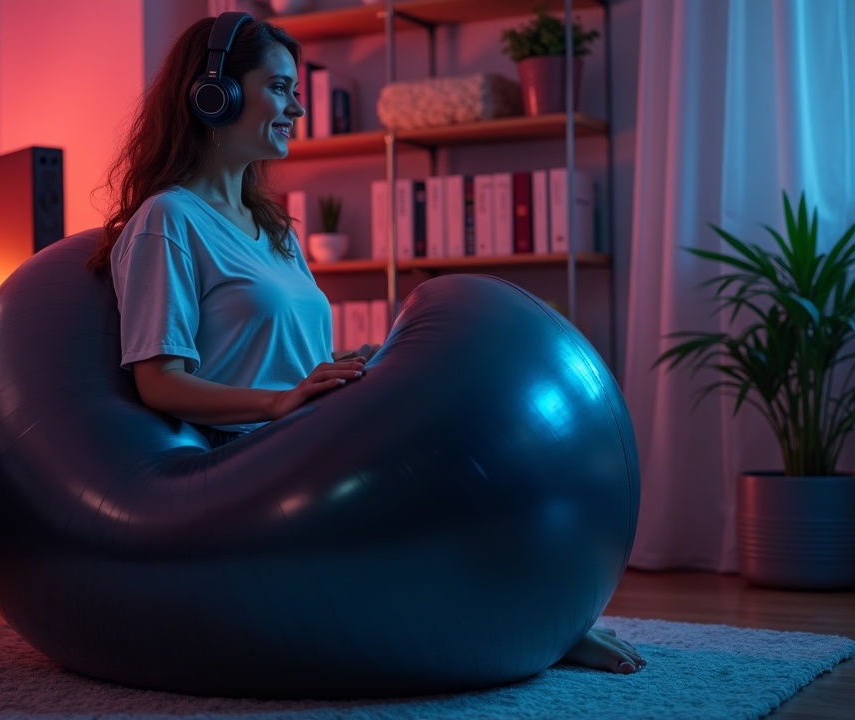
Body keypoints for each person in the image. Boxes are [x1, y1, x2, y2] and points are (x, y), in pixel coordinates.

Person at [88, 12, 645, 676]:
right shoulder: (168, 221)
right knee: (432, 482)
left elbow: (284, 355)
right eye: (279, 87)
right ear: (215, 95)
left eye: (297, 90)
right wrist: (278, 404)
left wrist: (337, 375)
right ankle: (523, 624)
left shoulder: (275, 230)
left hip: (302, 440)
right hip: (247, 467)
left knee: (462, 427)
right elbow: (159, 382)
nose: (298, 106)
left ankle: (540, 616)